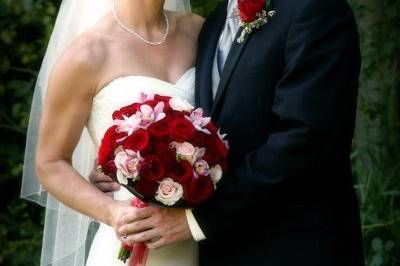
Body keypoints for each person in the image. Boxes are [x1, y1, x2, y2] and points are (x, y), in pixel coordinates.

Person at [91, 0, 366, 265]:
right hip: (216, 251)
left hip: (294, 248)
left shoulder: (316, 9)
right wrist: (130, 165)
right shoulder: (214, 23)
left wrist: (196, 220)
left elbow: (304, 141)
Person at [22, 0, 203, 265]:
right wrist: (113, 212)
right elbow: (49, 162)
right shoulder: (88, 54)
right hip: (131, 238)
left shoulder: (198, 30)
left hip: (200, 239)